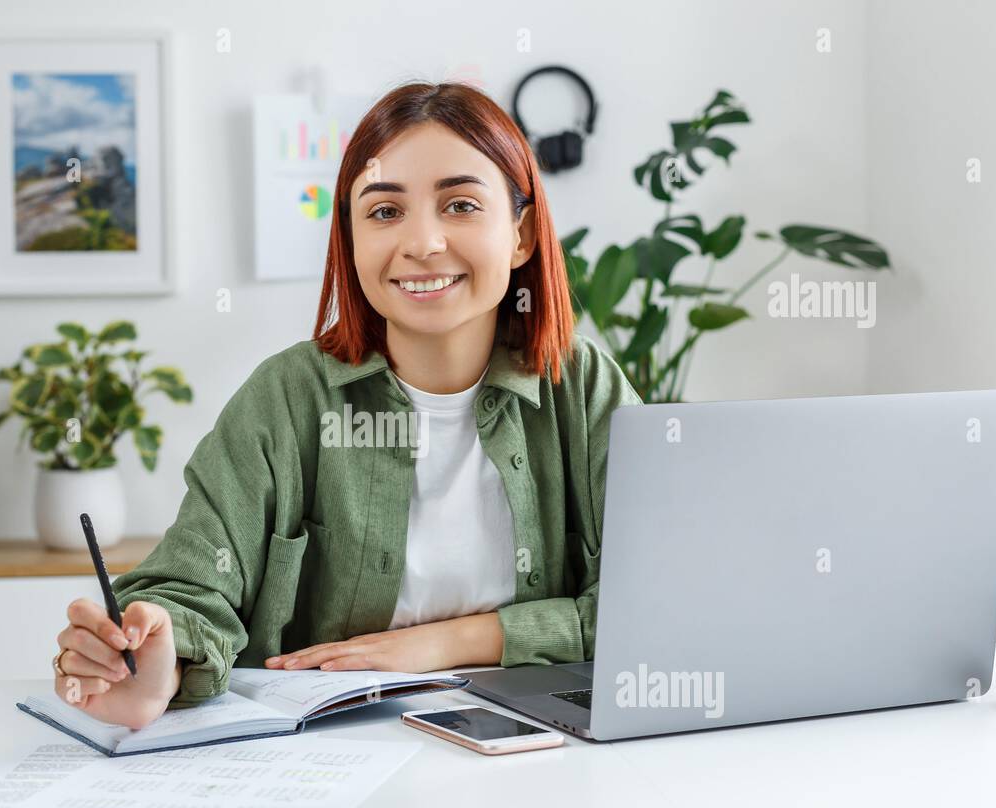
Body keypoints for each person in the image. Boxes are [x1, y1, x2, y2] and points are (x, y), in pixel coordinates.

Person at [51, 80, 641, 729]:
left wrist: (450, 642)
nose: (422, 242)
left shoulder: (583, 389)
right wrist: (152, 659)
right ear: (351, 238)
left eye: (461, 205)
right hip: (334, 763)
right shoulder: (284, 399)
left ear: (521, 235)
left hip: (547, 754)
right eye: (385, 212)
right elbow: (190, 588)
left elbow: (656, 598)